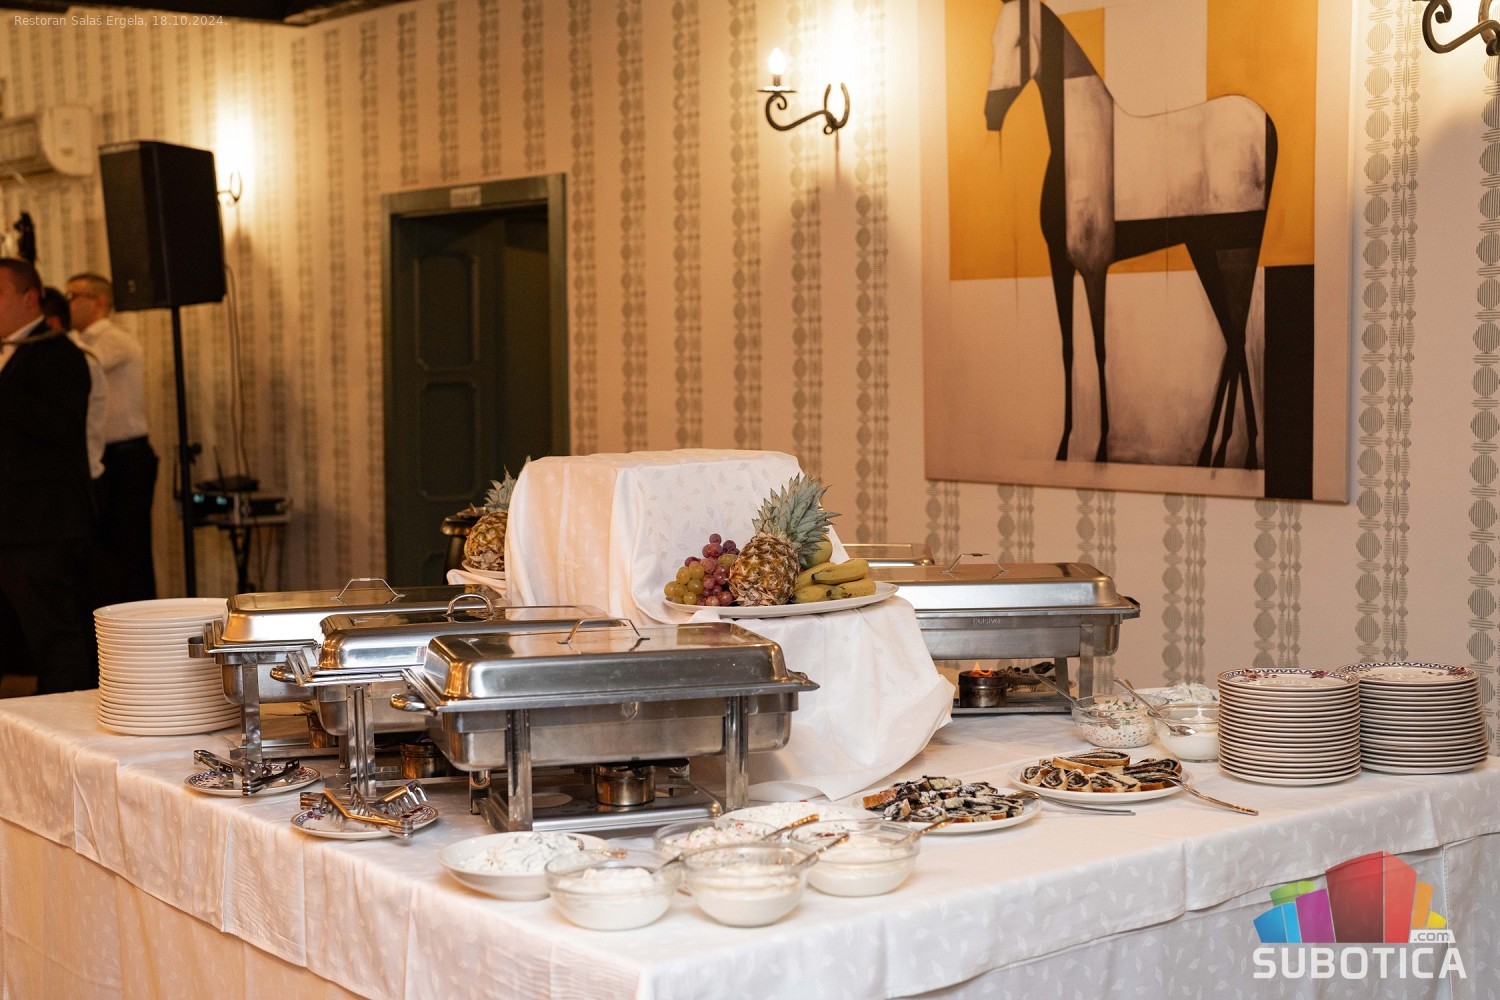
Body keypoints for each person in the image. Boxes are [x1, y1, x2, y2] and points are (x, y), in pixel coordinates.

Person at [0, 258, 96, 692]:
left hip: (41, 526)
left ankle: (63, 720)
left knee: (54, 636)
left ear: (30, 297)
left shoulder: (60, 354)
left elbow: (59, 427)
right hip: (9, 523)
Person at [67, 272, 157, 603]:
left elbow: (80, 367)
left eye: (73, 296)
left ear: (99, 302)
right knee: (101, 550)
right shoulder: (77, 341)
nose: (67, 304)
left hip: (126, 457)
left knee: (128, 547)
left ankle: (137, 620)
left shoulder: (114, 339)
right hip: (101, 459)